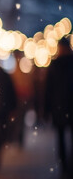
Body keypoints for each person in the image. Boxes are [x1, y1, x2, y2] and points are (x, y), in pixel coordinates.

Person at [44, 36, 73, 176]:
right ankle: (66, 166)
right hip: (64, 106)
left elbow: (48, 89)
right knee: (62, 137)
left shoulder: (54, 65)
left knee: (61, 137)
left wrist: (46, 110)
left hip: (60, 106)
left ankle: (64, 166)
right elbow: (48, 89)